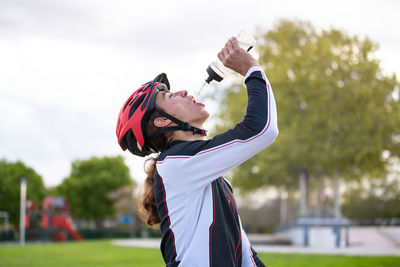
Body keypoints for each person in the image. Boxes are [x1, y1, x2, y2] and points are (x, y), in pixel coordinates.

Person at [116, 37, 278, 267]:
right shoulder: (175, 164)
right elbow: (261, 129)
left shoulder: (204, 171)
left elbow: (243, 253)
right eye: (170, 96)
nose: (182, 91)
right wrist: (251, 68)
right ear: (162, 121)